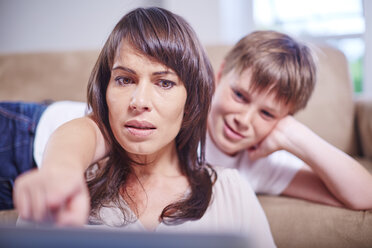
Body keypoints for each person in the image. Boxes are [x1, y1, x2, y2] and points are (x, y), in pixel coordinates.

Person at [11, 7, 276, 248]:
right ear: (105, 91)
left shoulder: (231, 191)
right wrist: (61, 172)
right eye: (124, 80)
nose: (139, 102)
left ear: (191, 99)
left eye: (164, 83)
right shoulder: (60, 190)